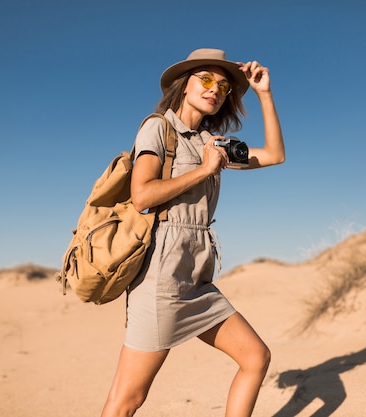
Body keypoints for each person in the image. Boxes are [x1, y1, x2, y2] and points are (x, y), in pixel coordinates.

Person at [100, 48, 285, 417]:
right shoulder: (159, 127)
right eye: (205, 79)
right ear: (184, 85)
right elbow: (142, 195)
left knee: (256, 357)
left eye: (222, 86)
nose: (215, 89)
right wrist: (202, 171)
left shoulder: (211, 142)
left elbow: (275, 155)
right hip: (161, 278)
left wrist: (263, 93)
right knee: (127, 400)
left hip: (198, 276)